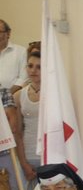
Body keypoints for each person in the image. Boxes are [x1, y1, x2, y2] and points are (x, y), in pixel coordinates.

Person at [11, 44, 42, 181]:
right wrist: (23, 163)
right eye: (30, 66)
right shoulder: (18, 96)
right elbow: (17, 132)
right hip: (28, 155)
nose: (33, 70)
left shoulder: (56, 96)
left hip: (51, 155)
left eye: (39, 67)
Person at [0, 17, 24, 90]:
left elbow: (23, 79)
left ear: (8, 33)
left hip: (11, 98)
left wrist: (6, 95)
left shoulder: (21, 52)